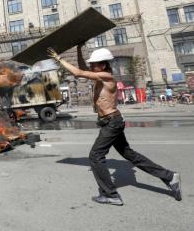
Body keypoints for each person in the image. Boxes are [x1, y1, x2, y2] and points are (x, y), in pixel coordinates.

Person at [47, 45, 181, 205]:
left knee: (95, 156)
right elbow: (82, 68)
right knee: (129, 154)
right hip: (110, 121)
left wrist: (58, 58)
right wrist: (78, 48)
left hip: (112, 122)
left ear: (103, 65)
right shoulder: (99, 75)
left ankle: (111, 195)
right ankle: (169, 176)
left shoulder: (106, 77)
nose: (91, 67)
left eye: (94, 64)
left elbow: (77, 72)